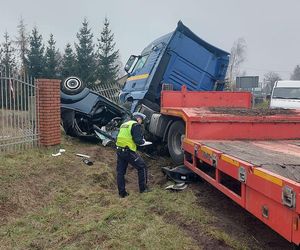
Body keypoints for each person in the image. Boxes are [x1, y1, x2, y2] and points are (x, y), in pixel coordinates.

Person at [115, 112, 149, 198]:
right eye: (141, 120)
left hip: (119, 150)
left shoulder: (124, 124)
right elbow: (138, 140)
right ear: (138, 119)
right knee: (142, 166)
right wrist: (143, 142)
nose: (141, 122)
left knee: (120, 172)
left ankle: (122, 193)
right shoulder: (135, 125)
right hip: (128, 151)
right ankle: (143, 189)